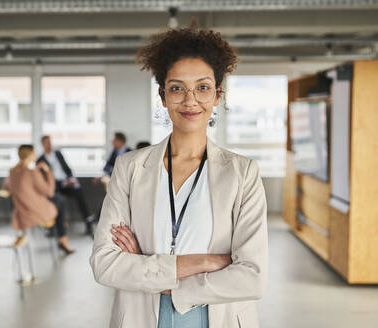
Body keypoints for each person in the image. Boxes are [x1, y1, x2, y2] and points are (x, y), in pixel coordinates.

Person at [90, 27, 267, 328]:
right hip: (140, 316)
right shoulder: (130, 168)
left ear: (217, 95)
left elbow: (252, 277)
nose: (190, 100)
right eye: (176, 88)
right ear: (162, 95)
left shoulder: (243, 173)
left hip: (218, 317)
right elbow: (105, 265)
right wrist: (205, 262)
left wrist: (151, 270)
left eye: (202, 87)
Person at [5, 144, 74, 255]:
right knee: (60, 200)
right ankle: (63, 238)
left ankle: (61, 232)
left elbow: (8, 187)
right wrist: (48, 172)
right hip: (35, 211)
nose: (36, 154)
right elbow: (49, 192)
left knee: (59, 201)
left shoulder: (12, 172)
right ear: (30, 155)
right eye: (34, 152)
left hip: (21, 211)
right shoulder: (32, 172)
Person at [37, 135, 95, 235]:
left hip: (66, 182)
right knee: (54, 198)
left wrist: (72, 179)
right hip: (54, 186)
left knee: (79, 191)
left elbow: (68, 169)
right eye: (47, 143)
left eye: (50, 142)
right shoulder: (40, 160)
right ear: (42, 144)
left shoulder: (58, 154)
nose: (50, 144)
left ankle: (88, 222)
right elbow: (42, 179)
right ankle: (51, 227)